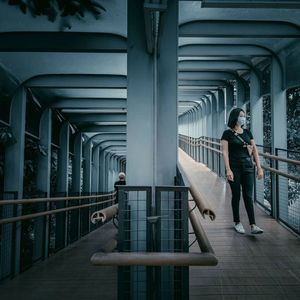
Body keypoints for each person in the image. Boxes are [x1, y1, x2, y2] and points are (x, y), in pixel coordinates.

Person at [221, 107, 264, 234]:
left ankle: (253, 225)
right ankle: (237, 222)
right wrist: (228, 170)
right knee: (236, 195)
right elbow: (224, 152)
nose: (243, 118)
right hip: (234, 168)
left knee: (248, 196)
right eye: (240, 115)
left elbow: (255, 150)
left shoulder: (247, 132)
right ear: (235, 117)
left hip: (248, 167)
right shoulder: (227, 134)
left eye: (244, 116)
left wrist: (259, 167)